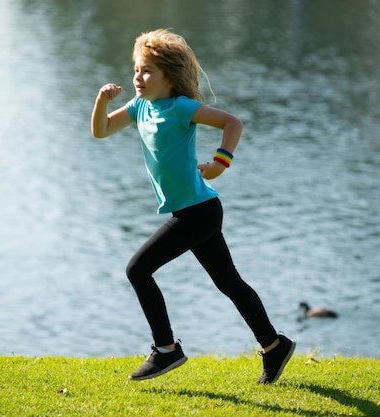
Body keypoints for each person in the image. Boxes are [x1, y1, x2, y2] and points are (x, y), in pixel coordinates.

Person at [90, 29, 295, 384]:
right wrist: (101, 102)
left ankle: (166, 349)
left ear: (169, 78)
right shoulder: (140, 107)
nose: (138, 77)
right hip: (195, 210)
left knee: (138, 270)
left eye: (148, 71)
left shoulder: (181, 108)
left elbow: (233, 123)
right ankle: (274, 346)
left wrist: (220, 162)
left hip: (198, 212)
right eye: (136, 70)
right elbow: (102, 130)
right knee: (229, 283)